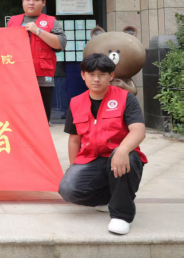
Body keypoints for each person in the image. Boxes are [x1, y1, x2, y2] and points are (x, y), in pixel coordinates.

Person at [59, 53, 148, 236]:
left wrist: (123, 149)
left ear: (111, 76)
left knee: (126, 157)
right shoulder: (76, 103)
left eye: (102, 74)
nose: (96, 79)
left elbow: (138, 130)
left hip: (120, 156)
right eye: (91, 74)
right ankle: (111, 197)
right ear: (83, 75)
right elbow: (74, 139)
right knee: (68, 189)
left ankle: (121, 215)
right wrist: (73, 167)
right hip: (91, 158)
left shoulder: (126, 98)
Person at [8, 0, 67, 125]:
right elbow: (4, 44)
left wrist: (38, 31)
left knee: (42, 119)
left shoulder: (51, 21)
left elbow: (60, 43)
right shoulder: (13, 21)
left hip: (43, 76)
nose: (31, 3)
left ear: (43, 2)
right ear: (22, 1)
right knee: (20, 118)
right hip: (17, 76)